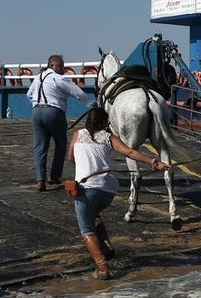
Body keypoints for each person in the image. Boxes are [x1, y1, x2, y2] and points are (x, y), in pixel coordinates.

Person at [66, 107, 168, 279]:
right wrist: (154, 162)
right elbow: (129, 151)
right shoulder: (108, 137)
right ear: (103, 123)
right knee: (94, 213)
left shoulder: (78, 135)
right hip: (109, 189)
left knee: (86, 231)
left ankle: (102, 267)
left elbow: (70, 158)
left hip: (87, 187)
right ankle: (105, 245)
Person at [27, 54, 95, 191]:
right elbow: (78, 93)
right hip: (53, 113)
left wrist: (38, 105)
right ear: (53, 65)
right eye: (61, 66)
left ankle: (40, 180)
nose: (63, 69)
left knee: (39, 147)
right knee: (60, 144)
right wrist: (92, 104)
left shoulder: (37, 78)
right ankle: (54, 176)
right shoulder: (59, 79)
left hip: (36, 112)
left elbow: (29, 94)